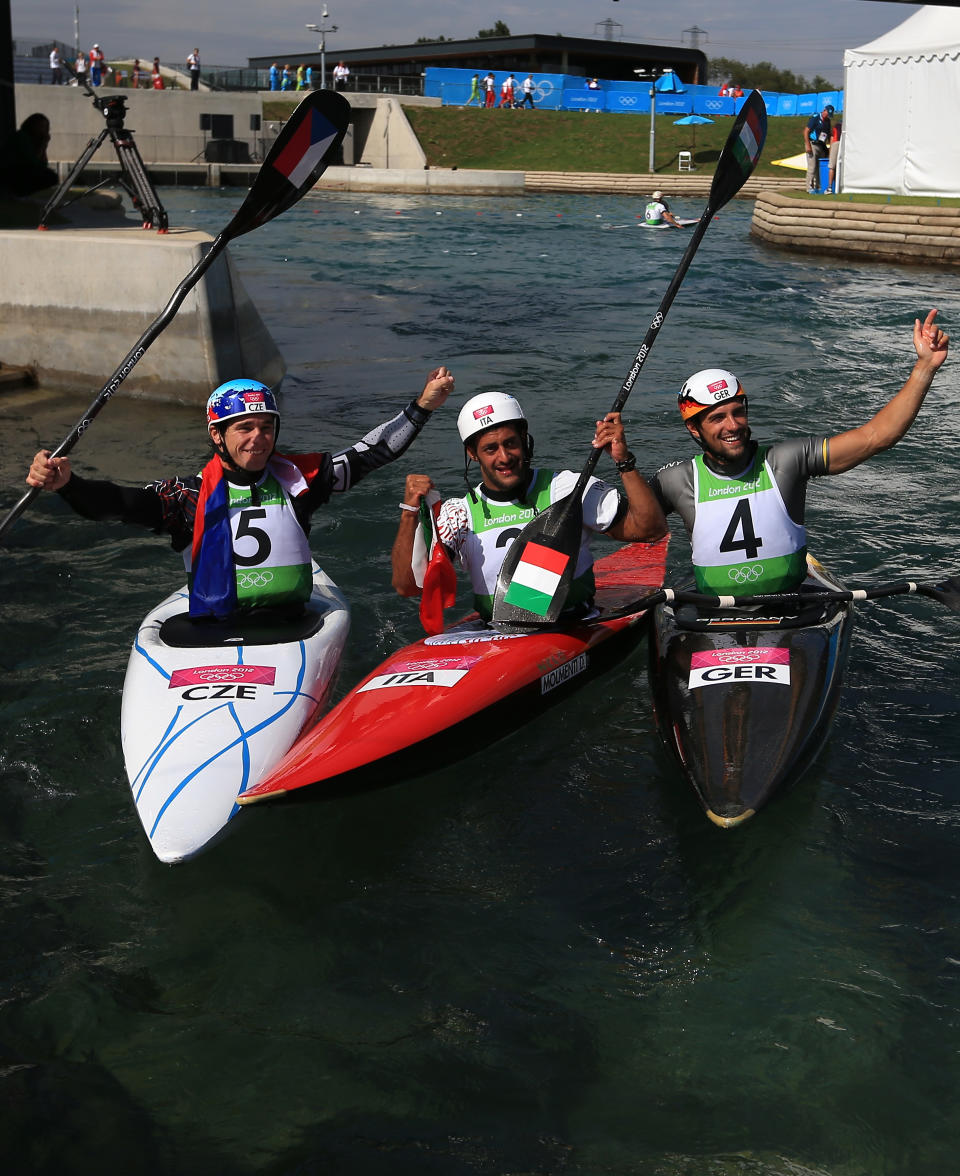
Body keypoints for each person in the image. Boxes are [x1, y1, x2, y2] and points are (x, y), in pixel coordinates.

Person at [26, 370, 455, 621]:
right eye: (244, 428)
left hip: (291, 626)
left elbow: (370, 453)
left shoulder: (299, 481)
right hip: (215, 628)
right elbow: (119, 505)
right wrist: (69, 484)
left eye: (267, 427)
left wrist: (422, 407)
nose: (259, 439)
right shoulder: (186, 497)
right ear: (217, 435)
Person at [647, 310, 949, 597]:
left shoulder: (786, 461)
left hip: (791, 606)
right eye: (717, 418)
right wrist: (623, 461)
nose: (733, 425)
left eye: (738, 412)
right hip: (711, 613)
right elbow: (630, 525)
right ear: (694, 429)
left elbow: (876, 437)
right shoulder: (673, 480)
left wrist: (925, 366)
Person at [391, 393, 666, 623]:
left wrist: (624, 461)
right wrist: (409, 512)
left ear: (524, 439)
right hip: (497, 632)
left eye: (510, 443)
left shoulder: (567, 488)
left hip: (573, 623)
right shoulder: (459, 513)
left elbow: (650, 530)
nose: (504, 457)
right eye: (490, 449)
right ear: (473, 454)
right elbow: (409, 587)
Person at [0, 113, 58, 198]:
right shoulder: (22, 137)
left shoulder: (35, 141)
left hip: (22, 170)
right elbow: (32, 163)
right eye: (41, 126)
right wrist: (42, 145)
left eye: (45, 127)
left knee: (50, 176)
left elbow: (42, 164)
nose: (43, 130)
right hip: (12, 171)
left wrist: (44, 146)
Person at [804, 103, 834, 193]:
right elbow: (806, 131)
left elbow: (828, 135)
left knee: (818, 168)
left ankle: (818, 187)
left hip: (822, 145)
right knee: (812, 167)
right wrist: (808, 145)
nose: (828, 116)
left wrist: (829, 149)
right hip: (813, 144)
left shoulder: (828, 121)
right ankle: (809, 187)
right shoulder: (815, 118)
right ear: (824, 111)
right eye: (827, 114)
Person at [826, 117, 842, 195]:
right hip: (844, 144)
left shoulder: (837, 126)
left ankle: (829, 187)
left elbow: (832, 139)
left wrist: (830, 152)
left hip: (836, 143)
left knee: (832, 166)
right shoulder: (847, 125)